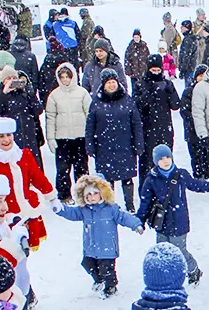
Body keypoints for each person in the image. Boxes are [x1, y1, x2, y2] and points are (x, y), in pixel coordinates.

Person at [52, 175, 143, 298]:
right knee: (88, 264)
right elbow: (72, 213)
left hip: (107, 247)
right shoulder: (84, 210)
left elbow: (123, 217)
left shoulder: (111, 209)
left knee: (107, 269)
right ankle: (99, 280)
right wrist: (60, 209)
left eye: (95, 193)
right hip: (91, 247)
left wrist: (136, 224)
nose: (92, 197)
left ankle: (111, 286)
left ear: (102, 194)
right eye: (88, 195)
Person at [0, 116, 55, 258]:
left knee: (24, 252)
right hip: (5, 214)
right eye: (1, 136)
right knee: (8, 252)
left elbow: (37, 177)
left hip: (26, 210)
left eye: (9, 135)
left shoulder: (24, 155)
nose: (6, 140)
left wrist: (51, 196)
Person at [137, 145, 209, 286]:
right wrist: (139, 220)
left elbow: (196, 185)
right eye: (161, 159)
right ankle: (167, 277)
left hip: (179, 222)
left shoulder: (181, 175)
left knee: (179, 251)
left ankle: (194, 270)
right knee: (163, 252)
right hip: (161, 222)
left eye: (168, 157)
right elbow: (145, 202)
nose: (165, 161)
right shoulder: (151, 180)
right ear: (156, 162)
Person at [86, 69, 145, 212]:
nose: (112, 85)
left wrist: (139, 143)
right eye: (109, 82)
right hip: (104, 146)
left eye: (114, 82)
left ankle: (129, 204)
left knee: (127, 177)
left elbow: (136, 123)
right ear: (103, 84)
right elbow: (90, 126)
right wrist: (90, 145)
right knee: (107, 179)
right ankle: (110, 203)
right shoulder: (96, 102)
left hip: (125, 145)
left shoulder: (127, 99)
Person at [45, 62, 91, 203]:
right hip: (62, 139)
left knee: (81, 168)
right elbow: (50, 119)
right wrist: (51, 139)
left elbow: (89, 115)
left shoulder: (82, 93)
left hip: (80, 138)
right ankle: (64, 195)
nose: (65, 80)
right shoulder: (54, 95)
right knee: (63, 170)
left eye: (67, 77)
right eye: (62, 77)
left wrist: (90, 137)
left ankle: (83, 193)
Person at [0, 68, 45, 169]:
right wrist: (3, 93)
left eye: (14, 78)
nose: (12, 81)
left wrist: (30, 94)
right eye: (8, 78)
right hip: (10, 140)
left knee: (34, 170)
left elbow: (38, 110)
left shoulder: (25, 95)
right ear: (3, 81)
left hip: (29, 138)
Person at [134, 54, 180, 179]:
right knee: (147, 162)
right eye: (152, 70)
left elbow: (176, 105)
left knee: (165, 160)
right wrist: (150, 92)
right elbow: (137, 105)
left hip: (165, 128)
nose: (155, 73)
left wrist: (170, 90)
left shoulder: (166, 84)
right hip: (147, 129)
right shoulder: (140, 84)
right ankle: (146, 190)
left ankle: (166, 188)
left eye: (158, 70)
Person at [38, 37, 71, 107]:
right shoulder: (67, 65)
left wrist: (43, 101)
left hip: (49, 97)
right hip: (66, 98)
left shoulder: (45, 64)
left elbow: (40, 84)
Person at [123, 29, 150, 94]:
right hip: (133, 73)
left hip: (143, 72)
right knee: (135, 89)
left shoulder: (144, 47)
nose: (136, 39)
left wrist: (148, 70)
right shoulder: (130, 48)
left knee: (144, 89)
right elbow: (127, 60)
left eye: (137, 37)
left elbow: (148, 58)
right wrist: (129, 71)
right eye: (135, 37)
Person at [178, 20, 199, 86]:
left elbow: (186, 55)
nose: (181, 29)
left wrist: (183, 69)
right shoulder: (190, 38)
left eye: (182, 27)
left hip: (189, 68)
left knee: (189, 88)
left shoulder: (188, 39)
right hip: (191, 67)